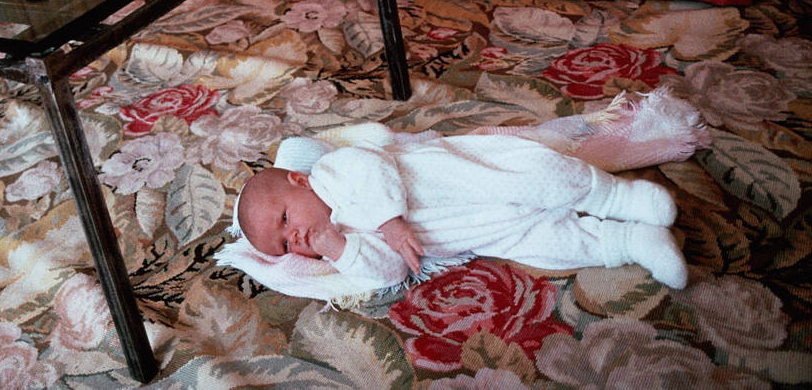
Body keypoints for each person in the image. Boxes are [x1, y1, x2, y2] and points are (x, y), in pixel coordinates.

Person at [234, 131, 689, 291]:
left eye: (285, 220)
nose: (295, 238)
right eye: (284, 246)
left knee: (544, 176)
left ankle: (619, 199)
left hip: (472, 179)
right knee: (551, 245)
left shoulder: (333, 173)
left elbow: (371, 165)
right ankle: (631, 242)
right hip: (486, 230)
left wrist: (389, 221)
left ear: (299, 181)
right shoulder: (345, 243)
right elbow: (390, 272)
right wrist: (340, 249)